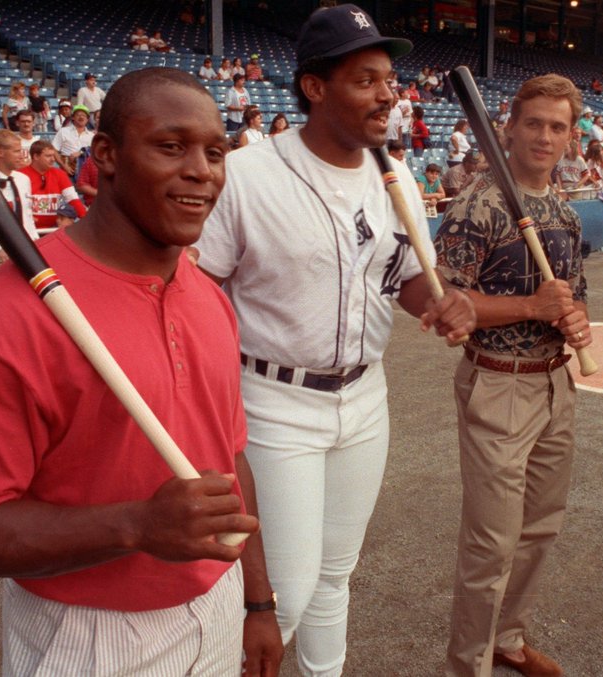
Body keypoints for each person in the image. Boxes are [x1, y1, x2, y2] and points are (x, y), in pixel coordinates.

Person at [0, 67, 283, 677]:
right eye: (170, 145)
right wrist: (135, 525)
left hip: (217, 606)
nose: (201, 171)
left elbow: (229, 461)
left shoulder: (208, 296)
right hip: (87, 634)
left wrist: (257, 600)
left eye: (215, 152)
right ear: (105, 155)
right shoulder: (0, 319)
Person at [192, 7, 475, 675]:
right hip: (272, 398)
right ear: (315, 87)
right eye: (366, 78)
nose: (388, 94)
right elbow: (196, 291)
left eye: (390, 79)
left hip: (364, 396)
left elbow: (406, 278)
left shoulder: (396, 176)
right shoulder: (247, 173)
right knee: (280, 597)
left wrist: (439, 300)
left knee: (334, 576)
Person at [435, 73, 590, 677]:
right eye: (534, 123)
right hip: (499, 383)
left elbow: (572, 295)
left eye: (557, 126)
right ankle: (467, 665)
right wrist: (531, 308)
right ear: (510, 126)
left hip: (555, 382)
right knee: (491, 544)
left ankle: (508, 639)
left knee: (540, 528)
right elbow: (445, 304)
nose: (544, 136)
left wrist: (573, 319)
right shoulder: (481, 202)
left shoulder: (562, 210)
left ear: (571, 136)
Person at [19, 139, 86, 231]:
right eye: (48, 156)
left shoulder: (60, 174)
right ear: (36, 156)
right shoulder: (20, 175)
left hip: (54, 230)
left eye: (53, 155)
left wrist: (85, 219)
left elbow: (73, 199)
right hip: (28, 230)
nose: (53, 159)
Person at [52, 105, 94, 176]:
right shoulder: (63, 131)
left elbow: (94, 153)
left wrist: (81, 152)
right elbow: (53, 150)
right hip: (66, 170)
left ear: (87, 119)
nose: (81, 117)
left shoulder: (92, 136)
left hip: (86, 172)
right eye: (78, 115)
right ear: (73, 117)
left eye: (84, 115)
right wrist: (64, 166)